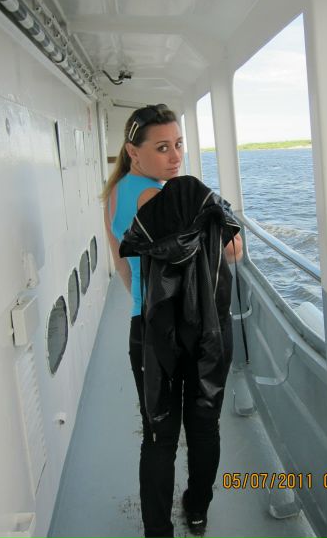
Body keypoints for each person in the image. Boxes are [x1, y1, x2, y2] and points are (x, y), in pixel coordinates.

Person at [102, 104, 243, 538]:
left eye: (179, 144)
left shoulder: (116, 194)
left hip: (147, 329)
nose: (176, 155)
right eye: (162, 147)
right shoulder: (164, 197)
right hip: (198, 333)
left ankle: (158, 530)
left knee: (158, 437)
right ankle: (197, 510)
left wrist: (145, 305)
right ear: (134, 151)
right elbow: (234, 251)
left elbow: (124, 268)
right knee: (203, 426)